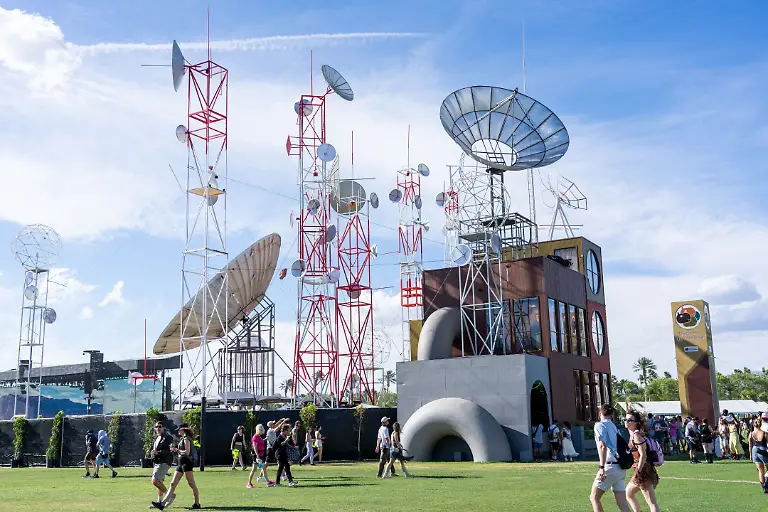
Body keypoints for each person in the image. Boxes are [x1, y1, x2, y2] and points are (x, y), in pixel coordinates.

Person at [590, 404, 630, 512]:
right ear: (612, 414)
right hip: (620, 467)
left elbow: (602, 446)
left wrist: (602, 467)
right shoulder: (614, 426)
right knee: (622, 502)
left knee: (594, 497)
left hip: (610, 466)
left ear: (600, 413)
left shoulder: (599, 425)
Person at [151, 425, 201, 510]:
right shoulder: (182, 439)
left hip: (186, 463)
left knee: (191, 484)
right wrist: (174, 450)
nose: (178, 431)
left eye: (179, 430)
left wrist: (176, 450)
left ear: (183, 430)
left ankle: (197, 503)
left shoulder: (186, 439)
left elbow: (187, 452)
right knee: (173, 484)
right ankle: (162, 504)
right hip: (180, 464)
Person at [624, 409, 660, 512]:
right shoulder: (634, 434)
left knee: (652, 503)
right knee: (628, 493)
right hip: (641, 469)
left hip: (644, 471)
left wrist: (638, 472)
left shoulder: (637, 435)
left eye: (630, 420)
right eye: (625, 419)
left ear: (637, 423)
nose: (626, 422)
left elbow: (643, 455)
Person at [149, 422, 175, 507]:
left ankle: (170, 495)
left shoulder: (167, 437)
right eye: (156, 427)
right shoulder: (157, 438)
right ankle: (159, 501)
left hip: (165, 461)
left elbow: (168, 450)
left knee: (155, 481)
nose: (158, 428)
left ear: (163, 427)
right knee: (159, 481)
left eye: (160, 426)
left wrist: (158, 452)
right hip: (158, 461)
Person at [247, 424, 272, 488]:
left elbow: (260, 442)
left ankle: (268, 482)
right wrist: (257, 456)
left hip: (260, 455)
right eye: (261, 430)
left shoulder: (259, 437)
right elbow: (255, 447)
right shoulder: (255, 437)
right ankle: (249, 483)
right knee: (254, 469)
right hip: (257, 456)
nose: (263, 431)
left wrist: (265, 439)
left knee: (263, 468)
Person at [749, 416, 768, 493]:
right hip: (762, 449)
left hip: (754, 450)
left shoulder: (751, 434)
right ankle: (766, 485)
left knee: (760, 470)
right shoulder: (764, 433)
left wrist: (750, 455)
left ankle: (763, 486)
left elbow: (750, 445)